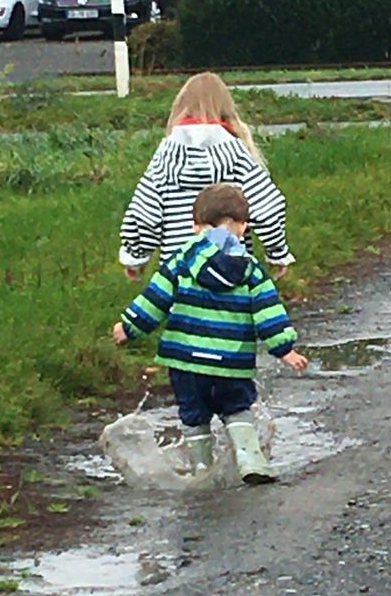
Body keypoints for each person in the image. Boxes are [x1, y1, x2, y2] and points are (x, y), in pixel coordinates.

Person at [113, 183, 308, 484]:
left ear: (195, 225)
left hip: (186, 362)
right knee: (237, 409)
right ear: (243, 228)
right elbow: (268, 310)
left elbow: (156, 299)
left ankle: (201, 470)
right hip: (231, 364)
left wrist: (129, 327)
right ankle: (252, 460)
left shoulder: (180, 262)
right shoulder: (251, 270)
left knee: (194, 415)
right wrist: (285, 349)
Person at [119, 71, 294, 281]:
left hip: (179, 275)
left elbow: (144, 215)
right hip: (231, 273)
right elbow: (267, 210)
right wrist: (277, 253)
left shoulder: (165, 158)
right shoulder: (237, 156)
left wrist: (135, 257)